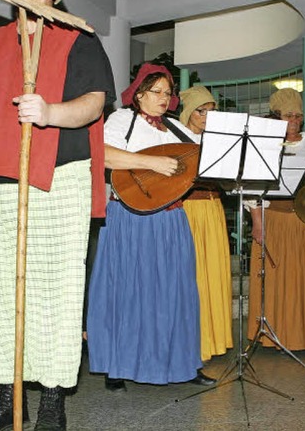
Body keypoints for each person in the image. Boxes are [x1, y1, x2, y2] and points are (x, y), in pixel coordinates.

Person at [0, 0, 116, 429]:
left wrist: (48, 113)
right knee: (0, 296)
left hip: (57, 180)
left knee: (55, 294)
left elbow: (93, 104)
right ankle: (6, 397)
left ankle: (50, 400)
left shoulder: (77, 37)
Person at [86, 63, 215, 392]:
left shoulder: (174, 130)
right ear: (139, 93)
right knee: (128, 290)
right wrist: (150, 161)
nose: (162, 97)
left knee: (177, 292)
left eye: (167, 93)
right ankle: (118, 364)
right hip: (131, 217)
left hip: (171, 218)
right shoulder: (122, 120)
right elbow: (101, 153)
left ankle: (183, 363)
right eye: (155, 91)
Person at [246, 88, 305, 351]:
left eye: (298, 116)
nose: (295, 121)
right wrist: (257, 221)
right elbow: (251, 186)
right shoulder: (264, 144)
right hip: (274, 219)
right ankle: (273, 336)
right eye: (289, 116)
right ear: (276, 116)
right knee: (276, 283)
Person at [179, 86, 233, 362]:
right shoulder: (175, 137)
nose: (207, 117)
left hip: (213, 208)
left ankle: (214, 338)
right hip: (188, 209)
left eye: (211, 111)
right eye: (201, 111)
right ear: (189, 111)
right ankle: (194, 340)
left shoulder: (218, 141)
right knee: (193, 274)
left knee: (214, 271)